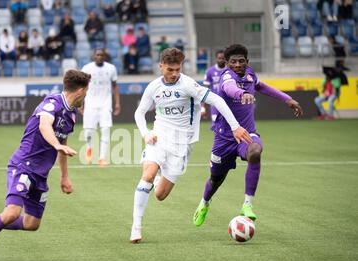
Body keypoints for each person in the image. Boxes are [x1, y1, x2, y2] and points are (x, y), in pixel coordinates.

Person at [0, 69, 91, 261]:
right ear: (80, 90)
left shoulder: (71, 114)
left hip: (41, 174)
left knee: (31, 224)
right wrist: (56, 145)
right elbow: (44, 126)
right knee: (12, 213)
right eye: (87, 90)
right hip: (23, 166)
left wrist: (64, 177)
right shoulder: (52, 103)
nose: (87, 95)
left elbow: (63, 143)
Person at [130, 47, 253, 243]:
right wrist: (146, 133)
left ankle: (158, 178)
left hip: (181, 144)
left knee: (160, 195)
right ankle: (136, 227)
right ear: (161, 66)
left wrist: (236, 127)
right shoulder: (153, 87)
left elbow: (217, 100)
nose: (174, 74)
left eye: (177, 69)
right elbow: (139, 113)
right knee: (147, 174)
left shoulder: (188, 85)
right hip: (159, 137)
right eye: (170, 69)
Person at [192, 44, 303, 227]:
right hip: (224, 137)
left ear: (247, 62)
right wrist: (242, 93)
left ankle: (247, 205)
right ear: (227, 64)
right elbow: (229, 88)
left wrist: (287, 99)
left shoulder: (250, 75)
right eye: (233, 62)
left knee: (255, 151)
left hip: (247, 133)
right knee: (216, 179)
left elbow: (263, 87)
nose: (237, 65)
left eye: (241, 61)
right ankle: (205, 202)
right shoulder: (226, 77)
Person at [81, 48, 121, 166]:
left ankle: (102, 158)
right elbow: (82, 86)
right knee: (89, 131)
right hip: (90, 104)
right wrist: (80, 103)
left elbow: (115, 86)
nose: (99, 57)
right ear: (94, 56)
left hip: (105, 104)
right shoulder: (87, 68)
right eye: (97, 55)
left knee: (105, 129)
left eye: (101, 55)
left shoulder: (111, 68)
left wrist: (117, 103)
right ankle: (89, 150)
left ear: (104, 56)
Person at [203, 50, 227, 121]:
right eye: (219, 58)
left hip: (227, 100)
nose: (221, 60)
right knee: (215, 121)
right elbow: (206, 87)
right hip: (215, 100)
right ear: (216, 59)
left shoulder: (229, 70)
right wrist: (204, 105)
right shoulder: (210, 71)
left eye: (223, 58)